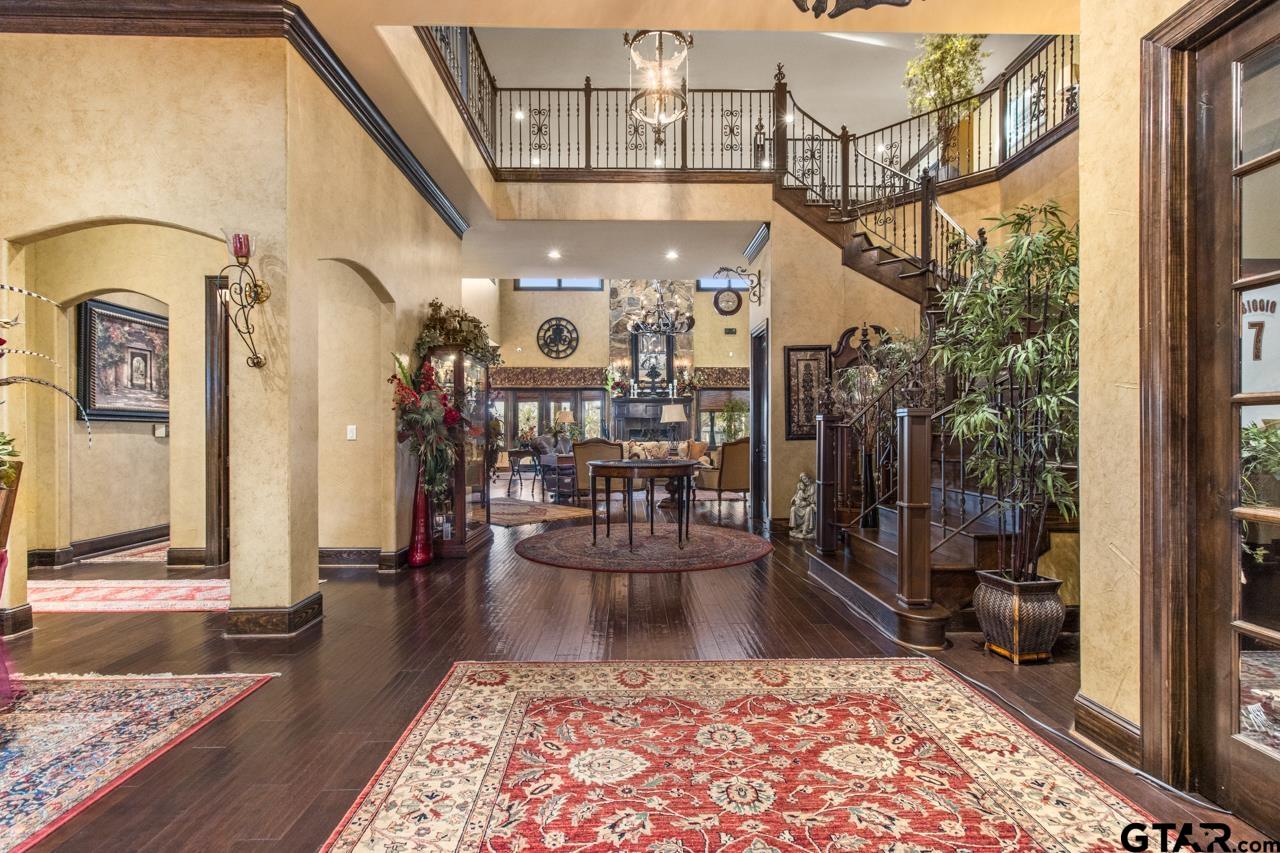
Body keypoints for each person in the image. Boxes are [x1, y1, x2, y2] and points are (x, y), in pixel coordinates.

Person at [790, 472, 818, 540]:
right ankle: (796, 528)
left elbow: (816, 498)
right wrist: (794, 499)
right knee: (793, 509)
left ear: (808, 478)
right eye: (803, 479)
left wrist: (809, 503)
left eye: (805, 478)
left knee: (809, 509)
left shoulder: (815, 486)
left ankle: (806, 529)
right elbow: (797, 495)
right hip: (803, 505)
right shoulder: (802, 487)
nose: (805, 480)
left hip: (811, 505)